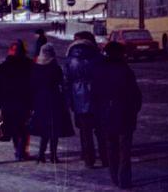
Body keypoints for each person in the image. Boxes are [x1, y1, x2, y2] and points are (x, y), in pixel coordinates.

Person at [91, 41, 142, 189]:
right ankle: (124, 180)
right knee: (124, 150)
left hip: (106, 115)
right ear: (120, 54)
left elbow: (94, 95)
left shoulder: (99, 70)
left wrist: (98, 114)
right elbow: (135, 95)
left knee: (111, 148)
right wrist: (134, 110)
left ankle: (114, 177)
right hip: (125, 114)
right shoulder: (125, 70)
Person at [65, 31, 107, 169]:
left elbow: (66, 81)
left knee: (85, 131)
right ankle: (105, 157)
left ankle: (89, 159)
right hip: (98, 97)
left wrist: (69, 100)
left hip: (79, 98)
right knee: (101, 130)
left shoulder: (70, 59)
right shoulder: (98, 57)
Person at [28, 43, 73, 163]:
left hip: (40, 100)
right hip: (54, 99)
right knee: (54, 128)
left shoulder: (36, 67)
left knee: (44, 129)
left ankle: (41, 154)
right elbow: (61, 83)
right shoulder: (55, 67)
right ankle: (53, 155)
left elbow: (32, 85)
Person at [0, 40, 34, 161]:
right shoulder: (29, 64)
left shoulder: (4, 66)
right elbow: (32, 84)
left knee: (14, 127)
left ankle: (18, 151)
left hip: (8, 102)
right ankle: (22, 151)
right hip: (24, 100)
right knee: (24, 127)